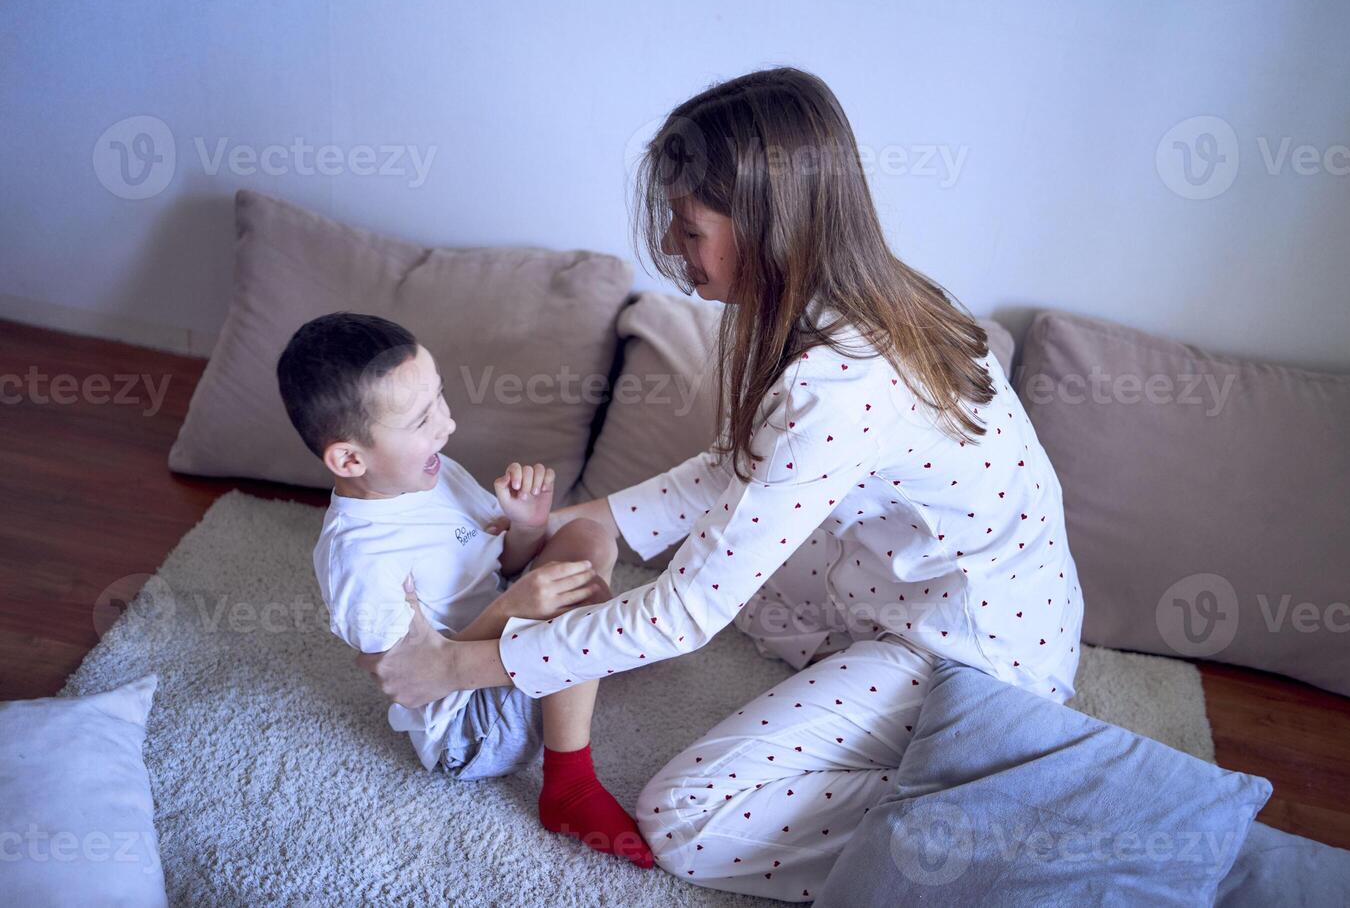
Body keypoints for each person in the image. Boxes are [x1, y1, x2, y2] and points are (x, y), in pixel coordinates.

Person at [357, 67, 1083, 901]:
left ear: (772, 229)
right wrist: (595, 519)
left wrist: (459, 668)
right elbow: (743, 470)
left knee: (688, 818)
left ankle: (980, 808)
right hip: (929, 585)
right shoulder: (860, 299)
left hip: (977, 661)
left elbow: (685, 613)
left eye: (689, 227)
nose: (672, 246)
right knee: (720, 588)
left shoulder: (843, 384)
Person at [277, 311, 654, 868]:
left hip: (501, 643)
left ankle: (580, 672)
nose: (446, 426)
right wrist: (512, 610)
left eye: (441, 401)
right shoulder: (360, 558)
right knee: (580, 604)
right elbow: (413, 678)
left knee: (585, 537)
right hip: (469, 727)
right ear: (350, 458)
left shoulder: (433, 470)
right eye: (421, 419)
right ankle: (568, 785)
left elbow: (500, 562)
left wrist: (526, 525)